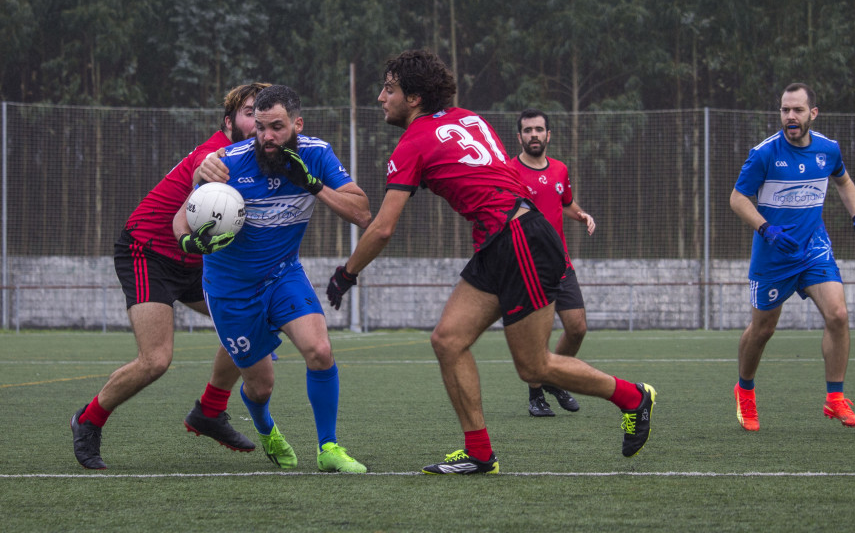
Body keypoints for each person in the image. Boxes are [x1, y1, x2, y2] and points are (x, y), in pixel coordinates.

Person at [326, 49, 656, 475]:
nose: (379, 98)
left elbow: (382, 227)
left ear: (413, 98)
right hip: (502, 240)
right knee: (447, 340)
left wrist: (346, 273)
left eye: (388, 89)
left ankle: (633, 397)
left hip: (518, 240)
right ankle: (480, 453)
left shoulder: (413, 142)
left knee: (533, 367)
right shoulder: (467, 116)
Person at [70, 83, 271, 470]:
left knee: (248, 321)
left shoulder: (257, 159)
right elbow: (204, 168)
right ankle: (88, 419)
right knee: (156, 360)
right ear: (229, 122)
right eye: (249, 111)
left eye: (263, 114)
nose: (257, 120)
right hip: (148, 252)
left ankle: (209, 412)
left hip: (194, 262)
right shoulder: (217, 155)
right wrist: (204, 171)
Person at [174, 84, 371, 472]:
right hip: (231, 288)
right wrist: (188, 243)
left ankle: (328, 447)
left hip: (283, 275)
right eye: (260, 127)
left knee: (320, 351)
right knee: (261, 386)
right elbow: (183, 215)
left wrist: (313, 184)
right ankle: (265, 428)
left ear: (297, 124)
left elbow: (362, 212)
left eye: (277, 127)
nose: (266, 137)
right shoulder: (227, 162)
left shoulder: (316, 154)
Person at [730, 82, 855, 431]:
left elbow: (844, 182)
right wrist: (767, 229)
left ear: (813, 113)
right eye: (784, 110)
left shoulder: (828, 150)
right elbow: (737, 198)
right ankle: (744, 391)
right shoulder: (764, 153)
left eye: (797, 110)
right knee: (763, 330)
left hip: (813, 250)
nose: (790, 116)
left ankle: (835, 399)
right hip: (773, 255)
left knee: (838, 314)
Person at [512, 109, 595, 417]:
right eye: (528, 130)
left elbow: (565, 203)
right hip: (528, 266)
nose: (534, 135)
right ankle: (536, 395)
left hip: (561, 263)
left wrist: (582, 215)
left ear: (549, 135)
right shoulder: (509, 171)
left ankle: (552, 377)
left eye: (539, 129)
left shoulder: (560, 169)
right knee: (537, 337)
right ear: (519, 136)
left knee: (577, 328)